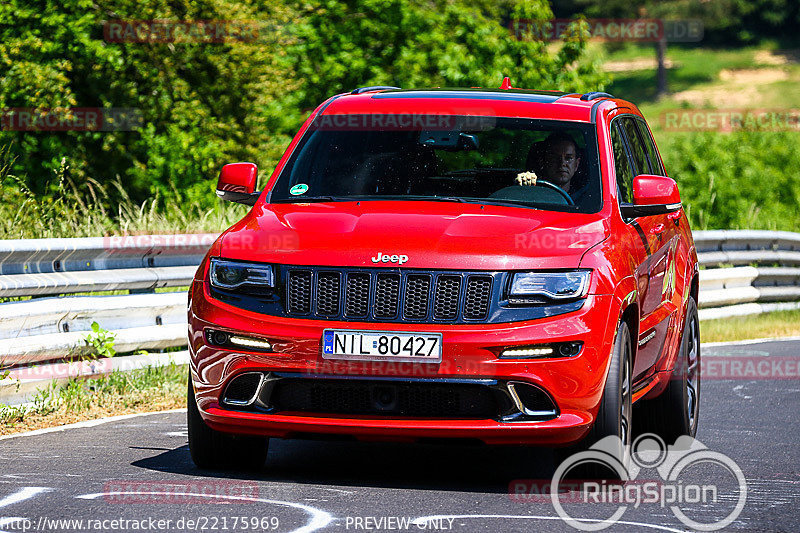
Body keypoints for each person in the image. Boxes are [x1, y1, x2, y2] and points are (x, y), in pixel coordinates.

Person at [515, 132, 587, 203]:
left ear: (577, 164)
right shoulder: (532, 189)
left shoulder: (587, 200)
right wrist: (524, 185)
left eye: (568, 158)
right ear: (543, 162)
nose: (562, 163)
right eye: (555, 158)